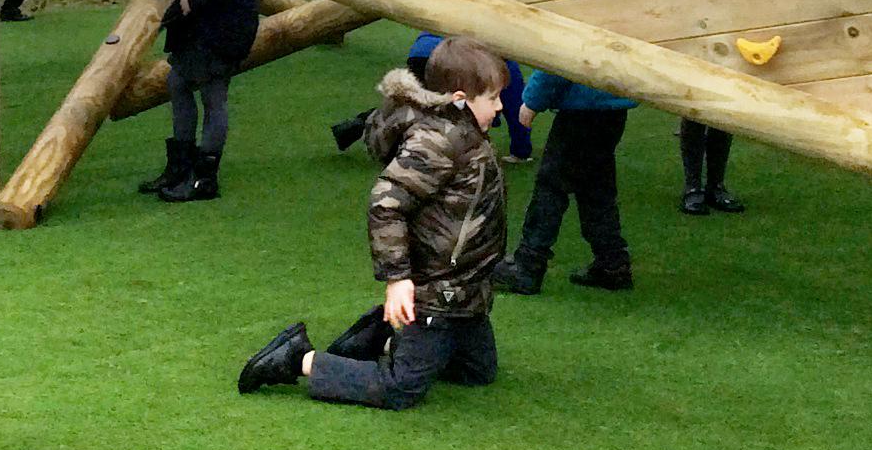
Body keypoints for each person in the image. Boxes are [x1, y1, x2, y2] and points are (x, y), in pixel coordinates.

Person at [236, 37, 512, 409]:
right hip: (435, 291)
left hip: (466, 290)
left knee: (478, 370)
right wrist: (398, 279)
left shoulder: (467, 134)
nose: (500, 106)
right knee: (400, 388)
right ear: (461, 99)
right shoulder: (437, 142)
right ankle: (298, 358)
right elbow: (386, 203)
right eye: (493, 98)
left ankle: (380, 336)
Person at [494, 67, 636, 293]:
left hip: (581, 109)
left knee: (552, 186)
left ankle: (528, 265)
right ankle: (612, 262)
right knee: (596, 186)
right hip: (612, 105)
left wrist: (532, 100)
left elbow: (559, 64)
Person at [137, 0, 260, 203]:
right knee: (177, 83)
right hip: (201, 24)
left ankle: (204, 179)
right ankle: (180, 168)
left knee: (213, 95)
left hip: (223, 29)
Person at [329, 29, 529, 165]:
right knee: (446, 108)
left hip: (423, 51)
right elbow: (515, 105)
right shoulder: (500, 52)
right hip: (451, 57)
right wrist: (521, 150)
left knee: (418, 103)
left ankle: (359, 126)